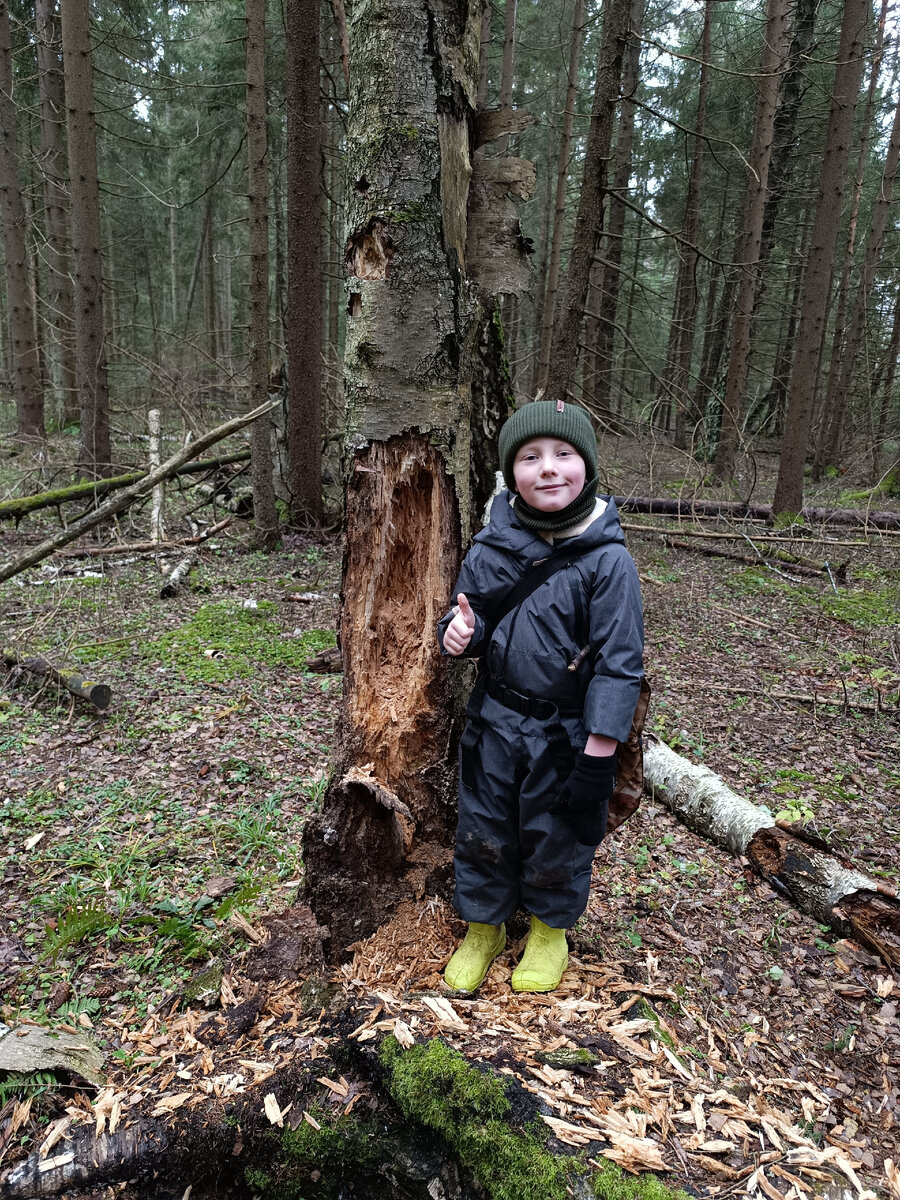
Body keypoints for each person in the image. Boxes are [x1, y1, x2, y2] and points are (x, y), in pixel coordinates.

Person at [437, 400, 644, 993]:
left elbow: (619, 665)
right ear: (511, 475)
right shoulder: (492, 545)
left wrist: (598, 759)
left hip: (566, 734)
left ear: (588, 468)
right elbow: (471, 619)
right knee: (483, 825)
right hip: (492, 721)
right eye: (530, 457)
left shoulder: (609, 563)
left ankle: (551, 931)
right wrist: (458, 634)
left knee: (556, 832)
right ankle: (485, 927)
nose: (548, 468)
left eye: (564, 454)